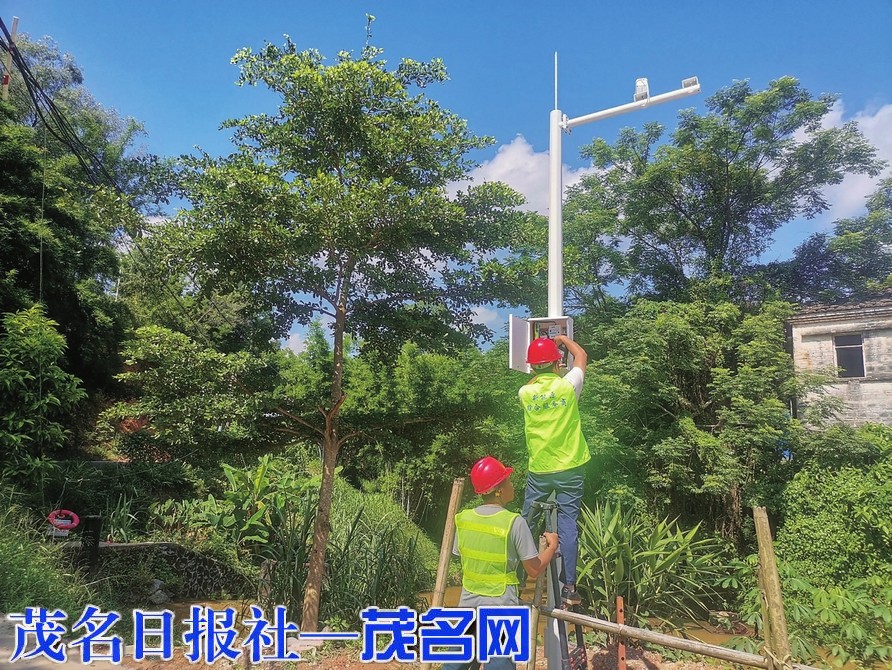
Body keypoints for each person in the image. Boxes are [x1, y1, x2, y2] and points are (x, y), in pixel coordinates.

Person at [443, 455, 558, 670]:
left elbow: (461, 553)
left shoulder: (464, 519)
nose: (512, 485)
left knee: (455, 664)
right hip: (500, 607)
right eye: (508, 481)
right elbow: (533, 569)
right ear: (498, 490)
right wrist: (552, 547)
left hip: (468, 604)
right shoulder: (514, 522)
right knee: (499, 664)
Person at [519, 334, 589, 606]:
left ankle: (518, 575)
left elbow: (533, 382)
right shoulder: (568, 386)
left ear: (532, 367)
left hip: (540, 469)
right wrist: (562, 338)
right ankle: (570, 587)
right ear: (558, 363)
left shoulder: (525, 393)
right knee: (568, 523)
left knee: (527, 520)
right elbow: (581, 356)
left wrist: (545, 363)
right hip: (571, 467)